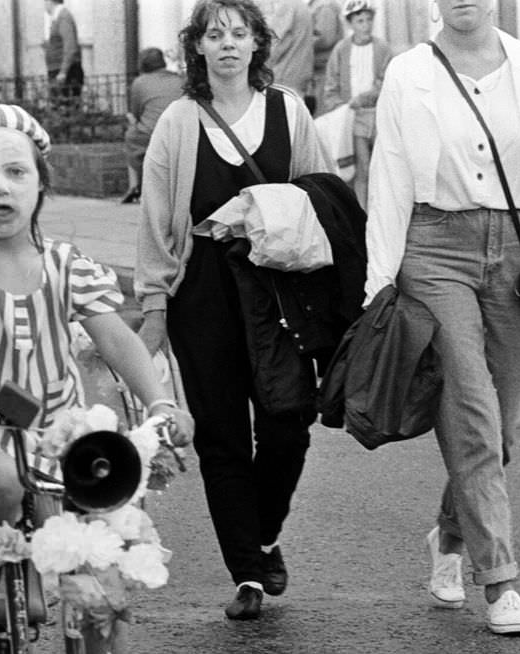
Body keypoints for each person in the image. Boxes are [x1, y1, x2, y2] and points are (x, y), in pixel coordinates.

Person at [0, 104, 193, 654]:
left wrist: (162, 403)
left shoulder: (65, 266)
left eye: (16, 172)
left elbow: (120, 343)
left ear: (41, 184)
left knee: (98, 572)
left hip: (56, 438)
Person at [366, 0, 520, 636]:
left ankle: (449, 537)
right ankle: (500, 580)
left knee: (503, 425)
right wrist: (379, 282)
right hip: (433, 248)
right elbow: (389, 173)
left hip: (518, 251)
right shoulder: (409, 72)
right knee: (471, 410)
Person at [134, 0, 331, 620]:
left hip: (276, 291)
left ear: (256, 46)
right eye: (213, 34)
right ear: (196, 48)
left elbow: (321, 195)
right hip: (205, 296)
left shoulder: (288, 111)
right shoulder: (178, 121)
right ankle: (247, 569)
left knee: (288, 421)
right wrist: (155, 303)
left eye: (238, 33)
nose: (226, 44)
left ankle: (264, 532)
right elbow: (157, 217)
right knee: (221, 437)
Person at [322, 0, 394, 205]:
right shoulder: (342, 49)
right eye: (360, 21)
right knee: (361, 168)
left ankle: (383, 208)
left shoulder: (382, 48)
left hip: (378, 114)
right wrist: (338, 108)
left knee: (383, 165)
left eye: (369, 20)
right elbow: (331, 83)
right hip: (354, 118)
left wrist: (365, 97)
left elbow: (386, 81)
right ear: (350, 24)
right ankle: (363, 213)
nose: (365, 25)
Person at [123, 47, 182, 204]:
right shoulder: (179, 80)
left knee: (130, 135)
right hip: (179, 132)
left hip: (149, 133)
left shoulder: (139, 83)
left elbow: (135, 112)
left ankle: (134, 185)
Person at [258, 0, 313, 102]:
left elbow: (275, 43)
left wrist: (257, 67)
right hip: (297, 76)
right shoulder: (300, 5)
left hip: (281, 78)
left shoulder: (287, 6)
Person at [43, 0, 82, 101]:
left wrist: (63, 72)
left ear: (50, 2)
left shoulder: (63, 17)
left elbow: (70, 46)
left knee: (64, 107)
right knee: (59, 106)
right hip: (58, 70)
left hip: (66, 72)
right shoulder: (57, 17)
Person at [307, 0, 342, 108]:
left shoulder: (324, 6)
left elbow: (325, 38)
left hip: (325, 70)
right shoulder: (316, 5)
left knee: (322, 112)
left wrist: (300, 43)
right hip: (319, 69)